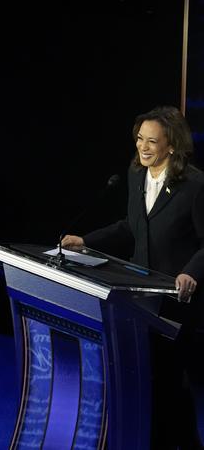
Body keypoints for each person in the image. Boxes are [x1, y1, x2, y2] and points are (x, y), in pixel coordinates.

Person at [62, 105, 204, 449]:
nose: (143, 147)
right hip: (138, 294)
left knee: (171, 378)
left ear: (170, 145)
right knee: (147, 374)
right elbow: (131, 226)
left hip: (175, 298)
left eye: (152, 142)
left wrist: (190, 273)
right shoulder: (136, 175)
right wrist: (87, 240)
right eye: (140, 139)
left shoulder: (195, 184)